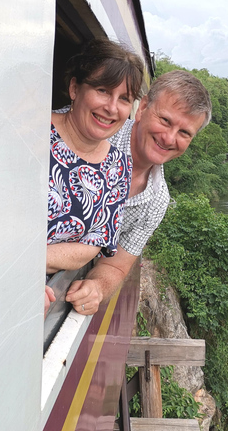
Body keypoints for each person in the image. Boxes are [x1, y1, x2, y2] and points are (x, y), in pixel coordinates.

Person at [60, 70, 212, 315]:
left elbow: (118, 266)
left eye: (185, 133)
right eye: (165, 120)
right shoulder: (93, 131)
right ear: (141, 109)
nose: (169, 138)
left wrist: (97, 287)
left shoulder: (157, 200)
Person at [44, 39, 145, 315]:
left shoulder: (118, 166)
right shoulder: (32, 133)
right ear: (75, 88)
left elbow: (92, 244)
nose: (112, 108)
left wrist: (31, 262)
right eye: (103, 90)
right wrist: (17, 270)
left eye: (124, 99)